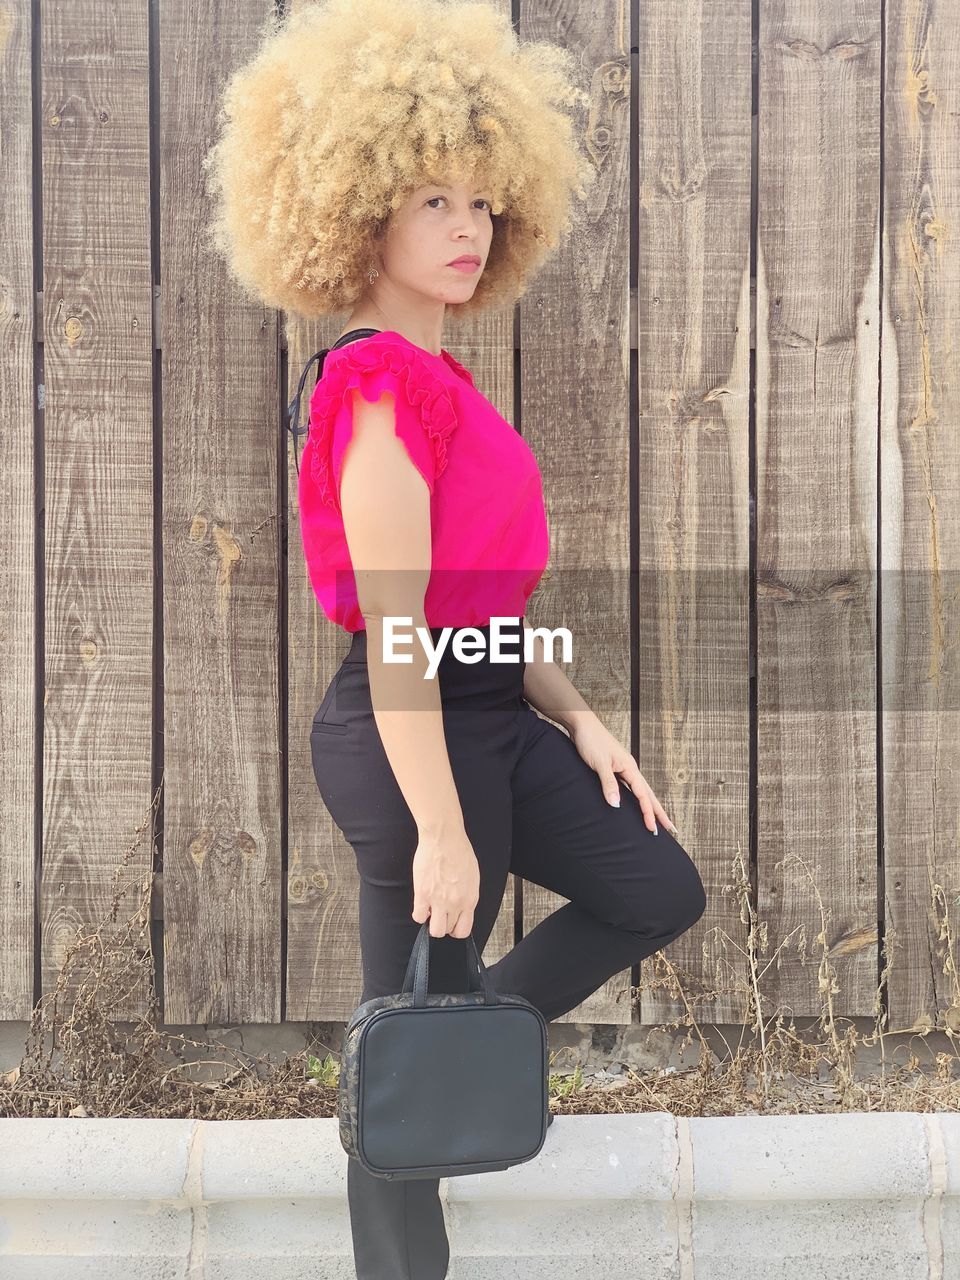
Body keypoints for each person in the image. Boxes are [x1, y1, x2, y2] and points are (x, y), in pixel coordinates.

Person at [203, 1, 707, 1275]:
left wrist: (578, 714)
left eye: (483, 202)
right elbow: (395, 629)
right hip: (404, 730)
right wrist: (437, 822)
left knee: (654, 884)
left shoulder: (449, 386)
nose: (468, 227)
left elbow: (479, 609)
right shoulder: (375, 383)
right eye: (434, 200)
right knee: (411, 1093)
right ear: (355, 208)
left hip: (487, 709)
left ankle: (428, 1039)